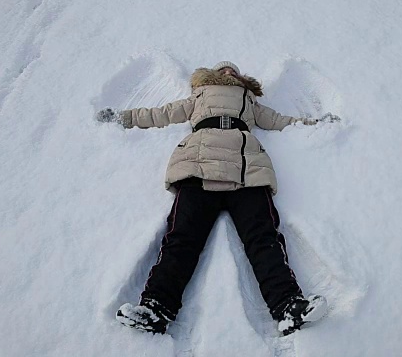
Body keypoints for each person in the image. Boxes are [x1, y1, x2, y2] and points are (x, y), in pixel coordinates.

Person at [96, 61, 339, 336]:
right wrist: (124, 118)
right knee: (181, 239)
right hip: (199, 167)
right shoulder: (200, 95)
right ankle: (155, 309)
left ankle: (288, 307)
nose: (228, 72)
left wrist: (316, 123)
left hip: (246, 170)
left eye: (233, 70)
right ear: (211, 75)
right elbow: (162, 113)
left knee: (263, 239)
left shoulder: (249, 100)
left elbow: (281, 121)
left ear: (241, 78)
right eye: (223, 69)